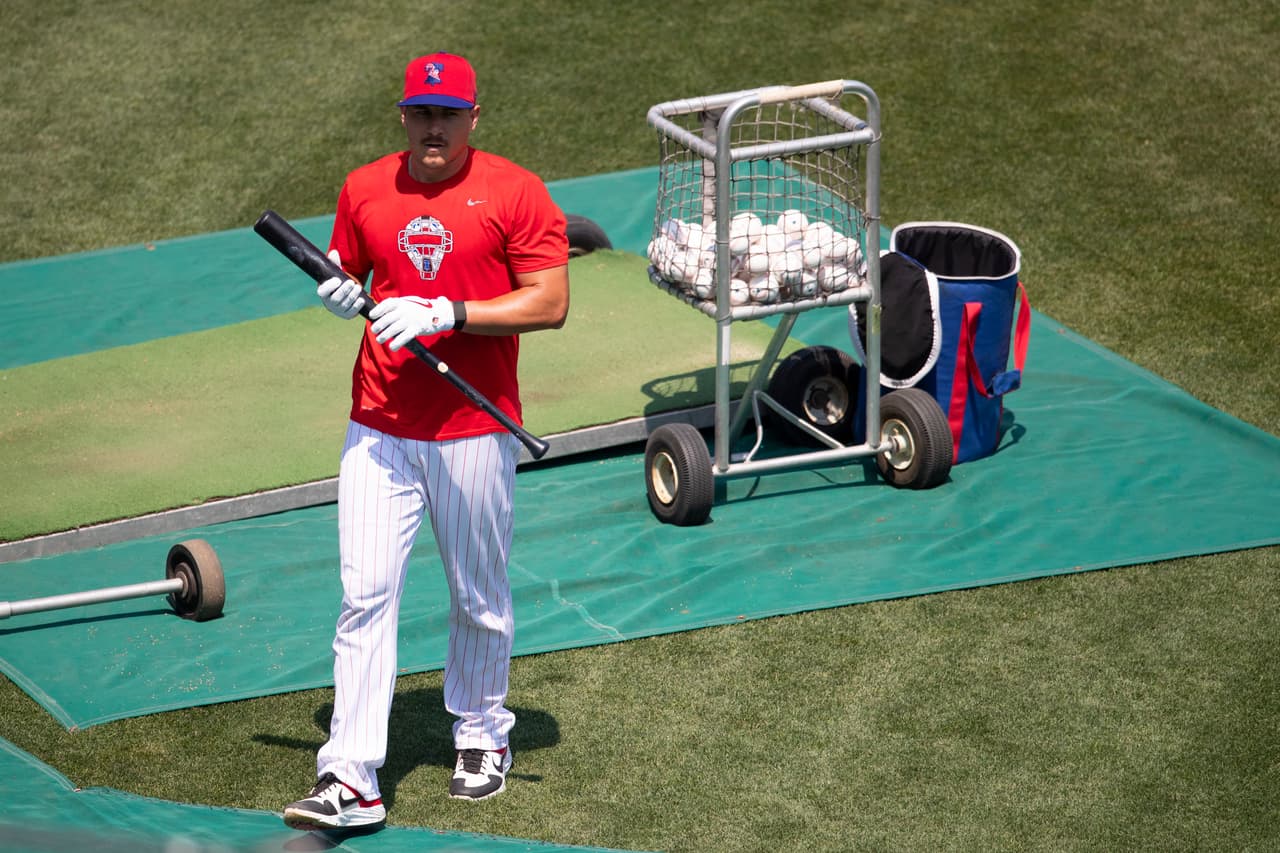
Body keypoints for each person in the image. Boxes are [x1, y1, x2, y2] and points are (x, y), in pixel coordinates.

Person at [282, 51, 570, 832]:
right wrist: (340, 291)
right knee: (364, 594)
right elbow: (349, 265)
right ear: (403, 115)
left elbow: (549, 302)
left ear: (473, 118)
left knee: (477, 594)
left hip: (473, 429)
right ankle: (351, 777)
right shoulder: (365, 187)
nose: (433, 126)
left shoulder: (515, 191)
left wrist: (452, 313)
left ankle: (481, 731)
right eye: (420, 112)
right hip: (378, 424)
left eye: (447, 113)